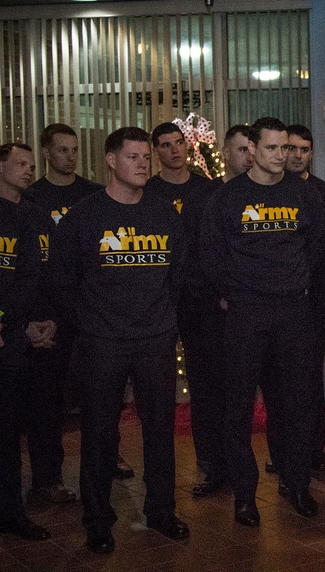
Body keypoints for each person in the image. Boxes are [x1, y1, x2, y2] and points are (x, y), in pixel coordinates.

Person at [48, 127, 189, 554]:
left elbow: (179, 275)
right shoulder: (84, 217)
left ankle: (162, 510)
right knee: (98, 432)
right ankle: (97, 519)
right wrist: (91, 323)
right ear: (111, 161)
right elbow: (62, 281)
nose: (144, 163)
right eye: (133, 157)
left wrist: (165, 321)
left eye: (146, 157)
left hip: (155, 339)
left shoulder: (166, 215)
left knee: (160, 430)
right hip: (102, 341)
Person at [201, 117, 325, 527]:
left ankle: (297, 484)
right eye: (272, 148)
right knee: (238, 407)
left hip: (294, 310)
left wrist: (295, 283)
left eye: (285, 149)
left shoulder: (304, 195)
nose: (280, 156)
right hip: (246, 313)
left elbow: (318, 249)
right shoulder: (227, 198)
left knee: (295, 404)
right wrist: (236, 292)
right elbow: (211, 253)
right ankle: (244, 496)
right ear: (252, 149)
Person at [24, 124, 136, 483]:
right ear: (46, 153)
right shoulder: (30, 199)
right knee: (47, 400)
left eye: (74, 150)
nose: (70, 156)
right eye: (62, 150)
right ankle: (49, 475)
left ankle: (108, 455)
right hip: (47, 313)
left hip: (93, 315)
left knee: (102, 395)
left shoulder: (93, 195)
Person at [145, 122, 225, 498]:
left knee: (206, 385)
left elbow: (216, 247)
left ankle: (212, 465)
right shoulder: (146, 193)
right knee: (155, 388)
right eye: (166, 145)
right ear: (155, 151)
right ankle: (157, 477)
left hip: (200, 302)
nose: (174, 150)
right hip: (157, 301)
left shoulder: (208, 190)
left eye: (179, 143)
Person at [261, 124, 325, 482]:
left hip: (313, 298)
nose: (295, 155)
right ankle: (282, 451)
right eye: (289, 149)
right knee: (277, 377)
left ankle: (313, 447)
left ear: (311, 153)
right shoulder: (268, 192)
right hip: (276, 300)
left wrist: (309, 282)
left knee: (310, 373)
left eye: (304, 149)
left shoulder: (323, 194)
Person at [0, 142, 57, 541]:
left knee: (9, 431)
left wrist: (41, 322)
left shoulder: (34, 217)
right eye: (20, 164)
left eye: (31, 165)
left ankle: (11, 510)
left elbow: (38, 279)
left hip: (18, 339)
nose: (28, 170)